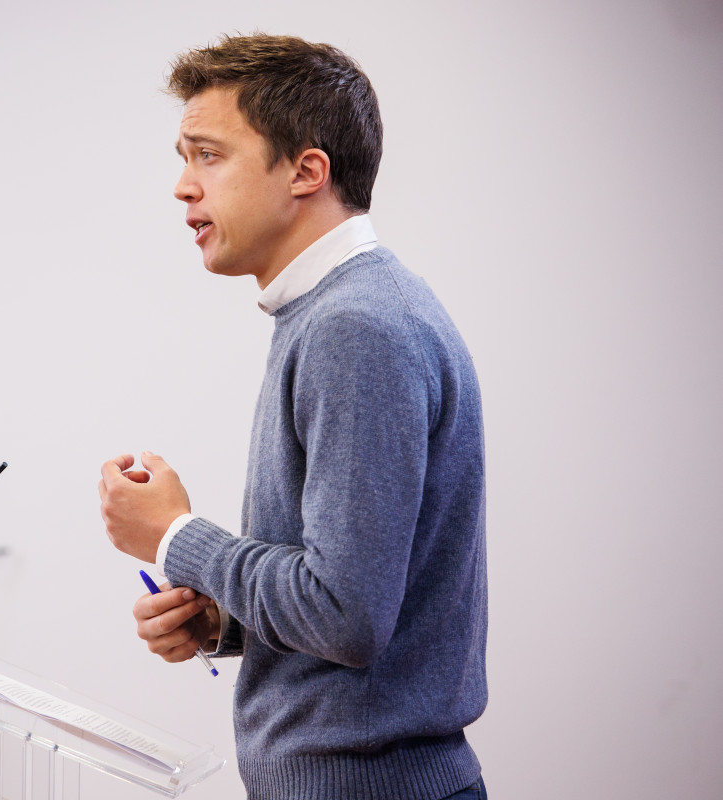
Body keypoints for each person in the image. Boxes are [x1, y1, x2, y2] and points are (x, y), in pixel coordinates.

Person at [98, 34, 488, 800]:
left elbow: (344, 615)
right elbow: (366, 600)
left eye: (207, 155)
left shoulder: (357, 327)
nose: (182, 186)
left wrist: (175, 537)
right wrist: (226, 621)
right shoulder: (338, 313)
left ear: (307, 171)